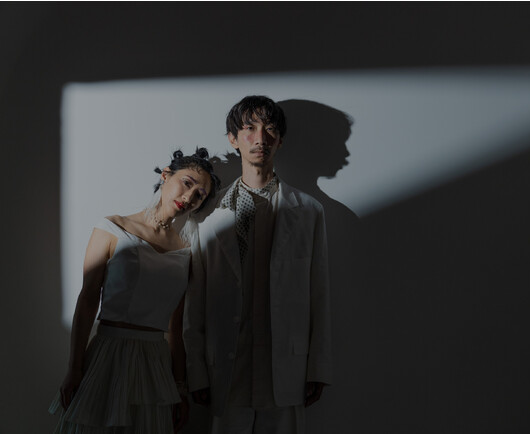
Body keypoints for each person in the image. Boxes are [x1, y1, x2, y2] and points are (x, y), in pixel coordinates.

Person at [184, 96, 333, 434]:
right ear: (233, 139)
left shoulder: (309, 211)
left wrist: (318, 367)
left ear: (280, 140)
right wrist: (196, 370)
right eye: (249, 129)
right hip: (226, 367)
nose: (260, 138)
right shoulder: (206, 215)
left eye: (270, 129)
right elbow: (196, 299)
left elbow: (319, 293)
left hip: (286, 368)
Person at [50, 148, 219, 434]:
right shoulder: (112, 228)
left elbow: (176, 326)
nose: (190, 197)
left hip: (155, 363)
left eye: (200, 195)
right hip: (108, 354)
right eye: (187, 183)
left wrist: (179, 386)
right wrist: (74, 368)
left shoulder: (186, 252)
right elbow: (87, 300)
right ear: (166, 175)